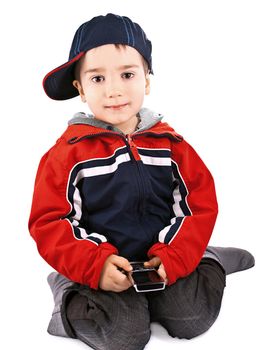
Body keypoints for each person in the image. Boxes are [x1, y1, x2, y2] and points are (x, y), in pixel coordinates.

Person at [28, 13, 255, 350]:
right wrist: (95, 264)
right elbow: (49, 222)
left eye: (128, 74)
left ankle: (207, 259)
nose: (115, 89)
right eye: (97, 78)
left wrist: (175, 256)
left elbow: (198, 206)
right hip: (99, 264)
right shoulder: (67, 155)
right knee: (125, 336)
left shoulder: (171, 146)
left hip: (163, 257)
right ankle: (67, 286)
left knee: (192, 318)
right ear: (80, 88)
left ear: (147, 80)